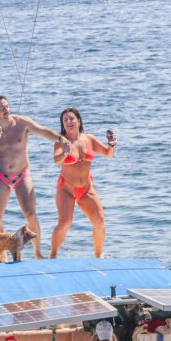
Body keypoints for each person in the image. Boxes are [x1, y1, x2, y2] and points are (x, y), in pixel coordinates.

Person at [0, 94, 71, 259]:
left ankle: (38, 253)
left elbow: (43, 131)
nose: (6, 110)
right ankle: (1, 256)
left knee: (31, 214)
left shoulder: (21, 123)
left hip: (22, 175)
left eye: (7, 106)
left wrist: (61, 138)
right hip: (2, 177)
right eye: (1, 108)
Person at [50, 108, 116, 258]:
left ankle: (98, 257)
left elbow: (108, 154)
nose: (68, 122)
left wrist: (112, 144)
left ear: (78, 121)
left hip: (86, 188)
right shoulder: (61, 142)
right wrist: (65, 152)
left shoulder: (89, 139)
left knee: (99, 221)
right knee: (65, 223)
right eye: (65, 120)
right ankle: (52, 257)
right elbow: (56, 160)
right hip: (66, 188)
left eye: (71, 118)